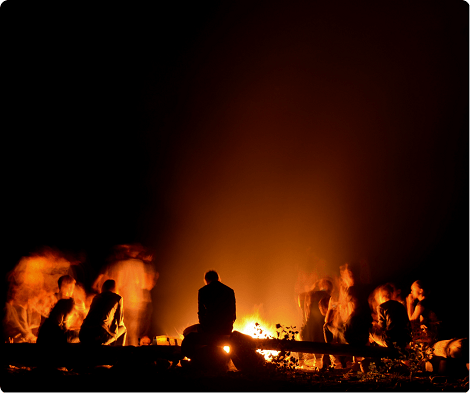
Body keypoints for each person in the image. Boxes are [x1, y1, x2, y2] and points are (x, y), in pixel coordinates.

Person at [79, 279, 127, 346]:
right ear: (115, 288)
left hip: (83, 334)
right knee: (123, 329)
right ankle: (118, 353)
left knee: (110, 329)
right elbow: (119, 321)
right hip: (99, 336)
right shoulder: (118, 298)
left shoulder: (96, 297)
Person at [369, 284, 411, 348]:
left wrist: (375, 325)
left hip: (391, 340)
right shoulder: (401, 305)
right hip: (404, 340)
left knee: (370, 328)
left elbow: (381, 327)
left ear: (382, 296)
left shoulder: (381, 307)